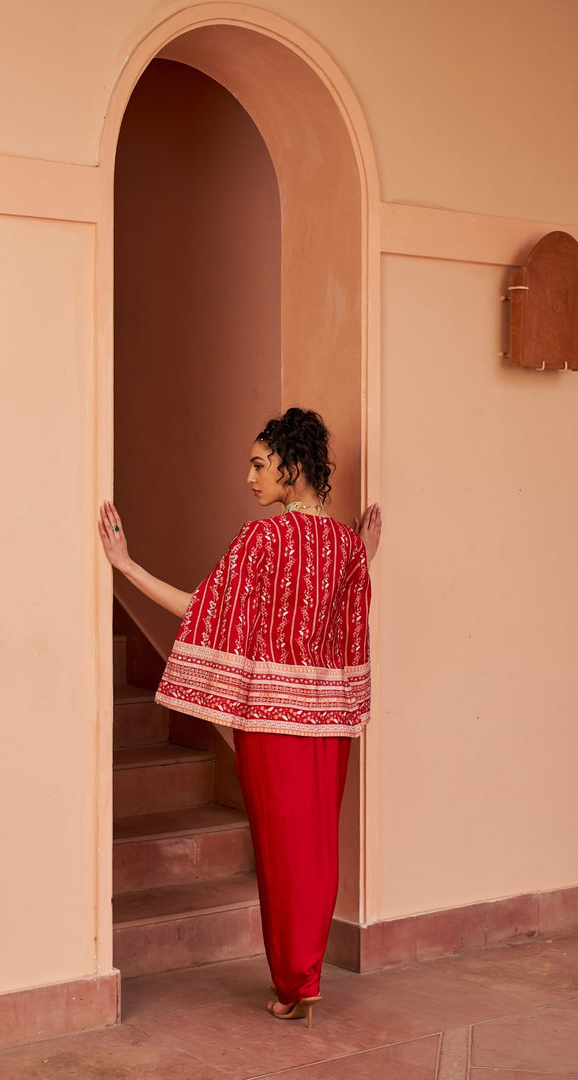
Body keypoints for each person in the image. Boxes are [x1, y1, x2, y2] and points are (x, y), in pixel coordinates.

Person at [99, 407, 380, 1027]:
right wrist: (365, 554)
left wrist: (126, 567)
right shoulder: (345, 546)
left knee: (281, 851)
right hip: (329, 724)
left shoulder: (260, 541)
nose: (249, 478)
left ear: (293, 466)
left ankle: (295, 983)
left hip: (272, 726)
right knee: (316, 845)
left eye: (259, 465)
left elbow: (201, 610)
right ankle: (303, 973)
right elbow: (344, 622)